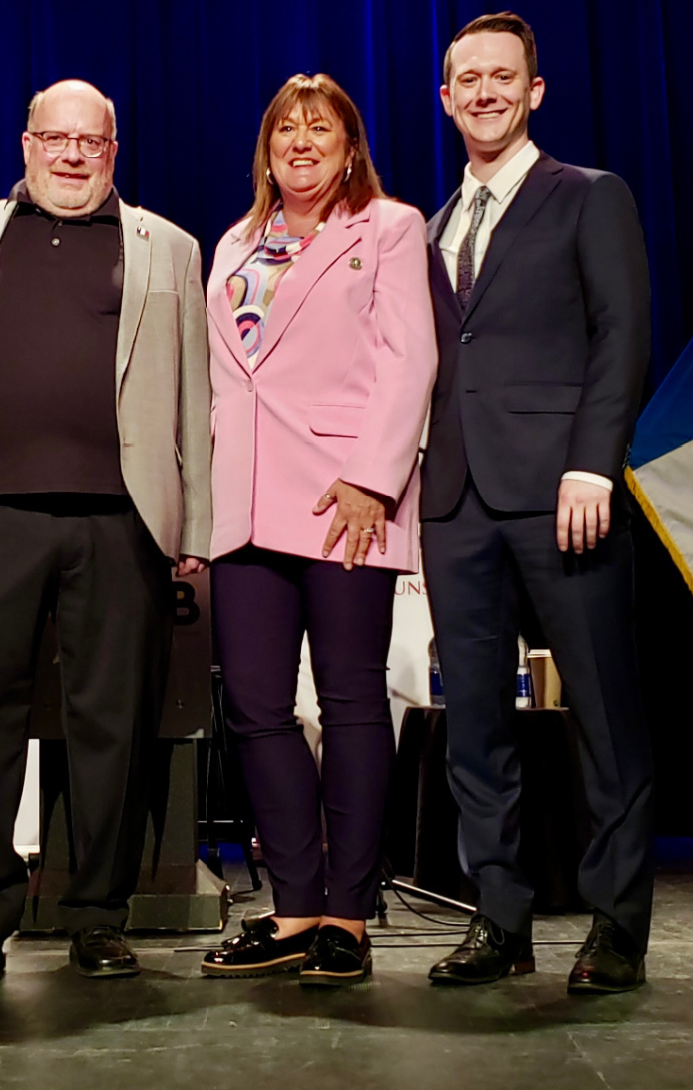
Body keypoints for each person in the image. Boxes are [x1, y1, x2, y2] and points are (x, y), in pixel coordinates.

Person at [0, 79, 210, 984]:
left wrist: (193, 523)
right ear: (27, 143)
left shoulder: (171, 247)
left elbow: (196, 394)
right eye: (57, 138)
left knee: (112, 725)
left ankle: (97, 914)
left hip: (124, 520)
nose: (73, 154)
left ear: (114, 151)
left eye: (93, 141)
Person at [419, 13, 654, 994]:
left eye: (500, 76)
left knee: (601, 713)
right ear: (445, 96)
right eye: (465, 78)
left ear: (534, 90)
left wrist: (592, 462)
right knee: (473, 723)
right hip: (454, 502)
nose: (483, 91)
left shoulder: (586, 197)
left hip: (565, 494)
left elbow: (621, 334)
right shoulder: (427, 226)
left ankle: (615, 927)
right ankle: (500, 917)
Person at [199, 74, 435, 986]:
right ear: (265, 148)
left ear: (349, 147)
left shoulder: (388, 226)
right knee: (255, 708)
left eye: (321, 129)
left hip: (346, 498)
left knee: (348, 700)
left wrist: (375, 478)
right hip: (245, 503)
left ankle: (350, 911)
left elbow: (410, 356)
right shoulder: (234, 241)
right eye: (286, 129)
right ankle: (294, 906)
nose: (301, 142)